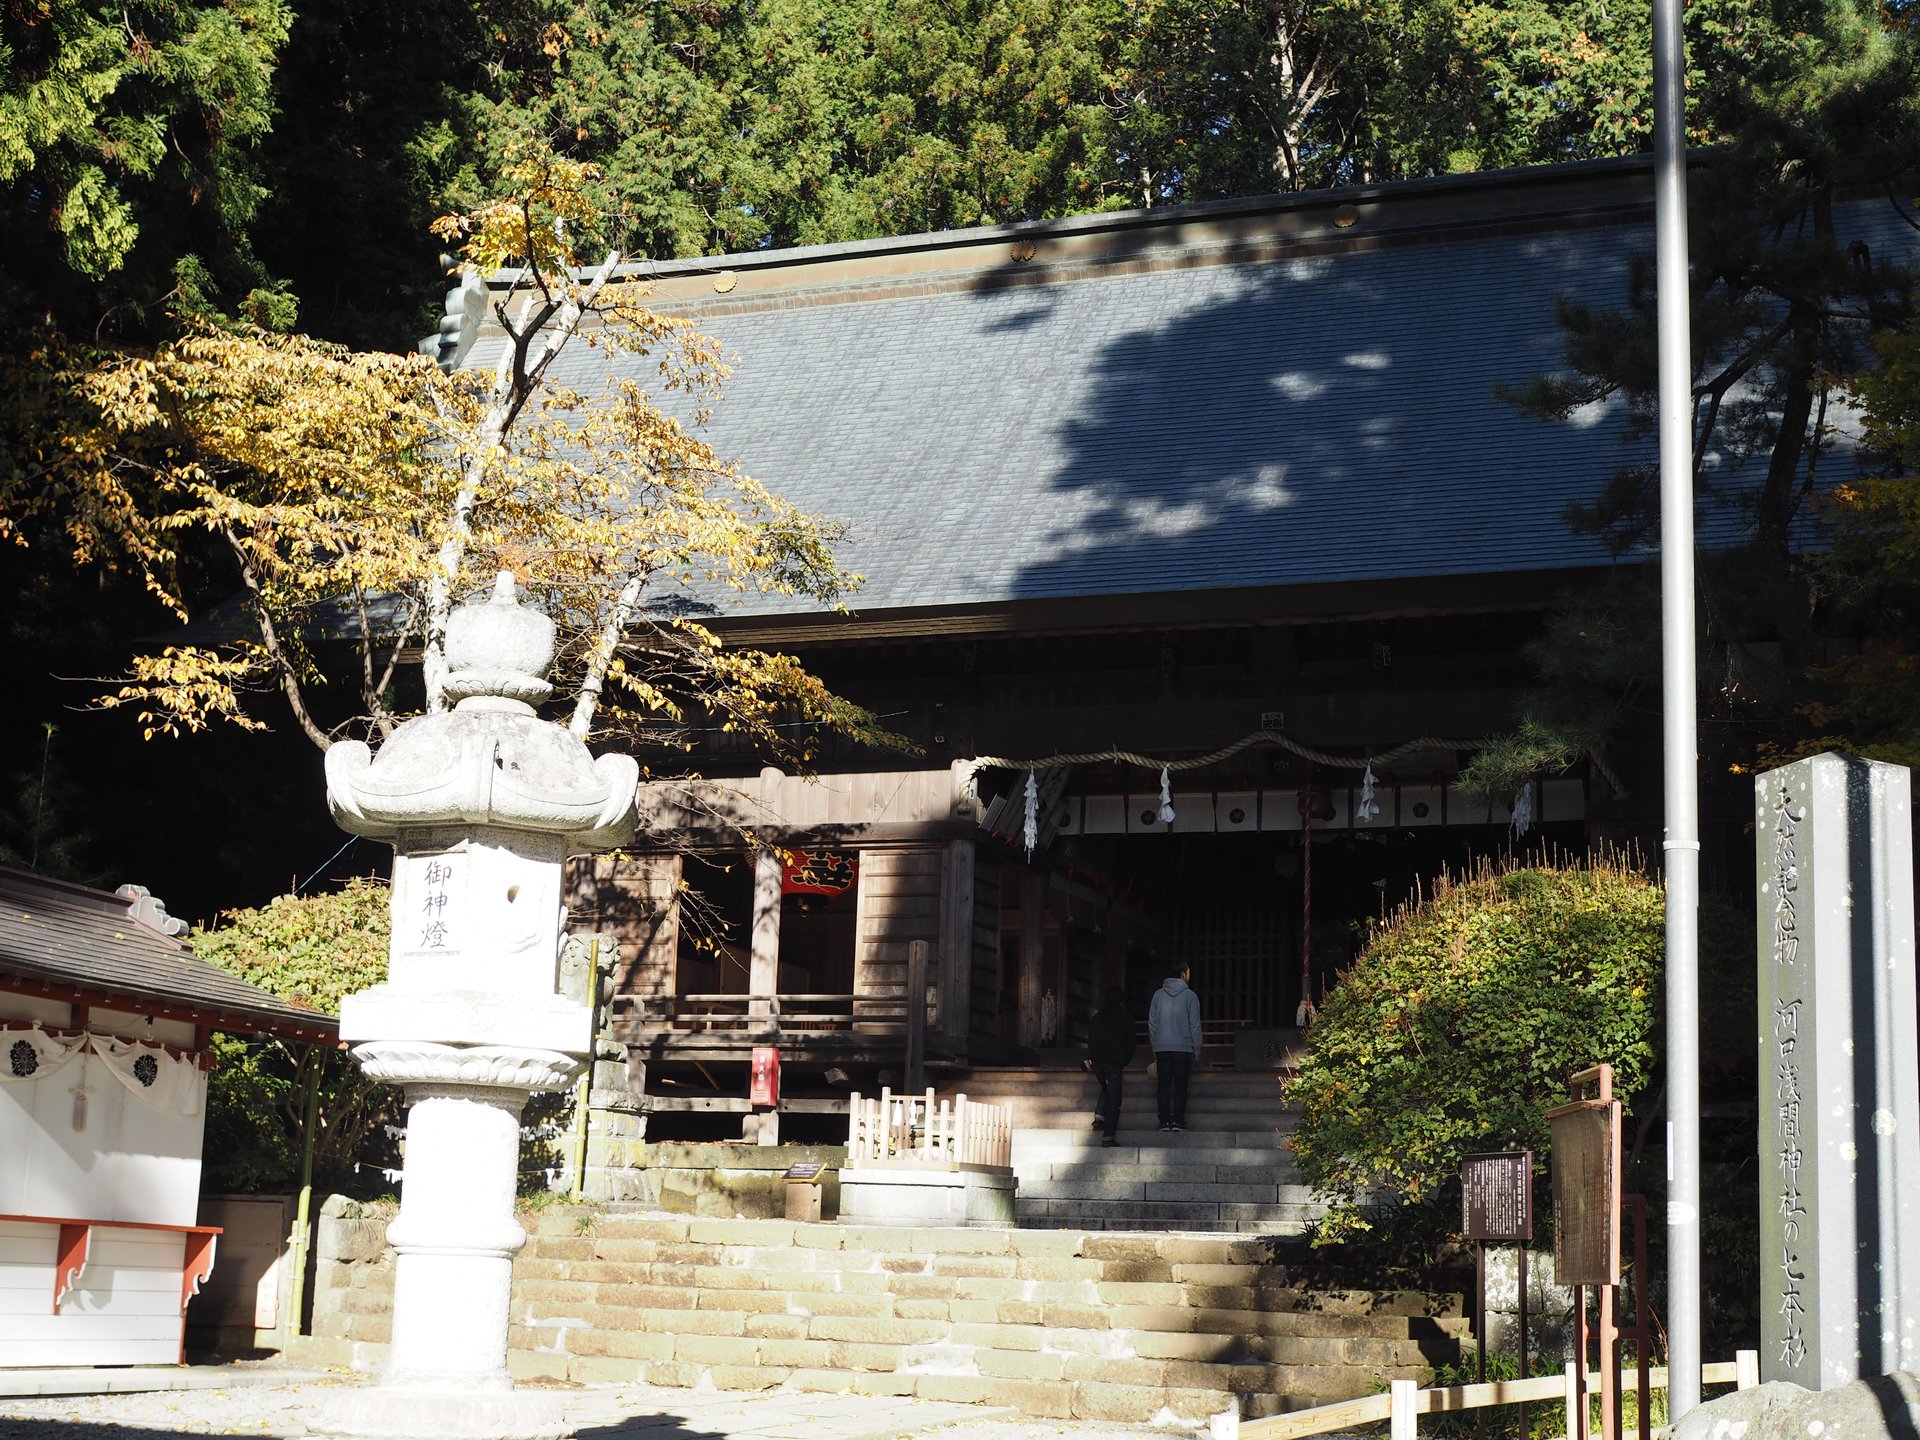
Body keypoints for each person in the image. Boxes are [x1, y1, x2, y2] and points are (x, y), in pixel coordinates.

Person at [1147, 962, 1201, 1132]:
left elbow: (1152, 1023)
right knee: (1180, 1085)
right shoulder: (1190, 996)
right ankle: (1177, 1120)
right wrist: (1196, 1048)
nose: (1189, 975)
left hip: (1162, 1046)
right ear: (1183, 974)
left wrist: (1154, 1046)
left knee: (1163, 1084)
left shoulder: (1157, 995)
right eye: (1189, 972)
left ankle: (1164, 1121)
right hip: (1183, 1047)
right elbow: (1195, 1024)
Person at [1085, 986, 1136, 1147]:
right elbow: (1130, 1044)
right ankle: (1108, 1137)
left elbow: (1091, 1040)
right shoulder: (1126, 1018)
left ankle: (1100, 1117)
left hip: (1098, 1062)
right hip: (1114, 1062)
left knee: (1106, 1087)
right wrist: (1123, 1060)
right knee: (1114, 1099)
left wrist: (1093, 1058)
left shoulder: (1097, 1018)